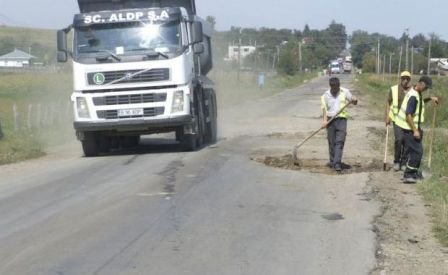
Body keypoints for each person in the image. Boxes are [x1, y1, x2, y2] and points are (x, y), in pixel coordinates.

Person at [394, 76, 439, 183]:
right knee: (417, 152)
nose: (426, 89)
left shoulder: (415, 91)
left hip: (409, 127)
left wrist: (430, 98)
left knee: (416, 151)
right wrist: (415, 130)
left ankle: (413, 173)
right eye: (426, 87)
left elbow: (418, 104)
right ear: (421, 84)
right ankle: (408, 174)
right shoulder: (414, 95)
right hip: (408, 128)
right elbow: (408, 115)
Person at [321, 77, 358, 172]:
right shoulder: (325, 95)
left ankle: (337, 163)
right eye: (333, 89)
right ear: (331, 86)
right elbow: (324, 110)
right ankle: (333, 161)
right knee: (331, 142)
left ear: (339, 85)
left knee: (340, 141)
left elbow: (354, 101)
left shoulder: (345, 92)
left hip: (342, 120)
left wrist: (354, 99)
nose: (335, 90)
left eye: (337, 88)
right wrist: (324, 121)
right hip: (330, 120)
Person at [385, 71, 413, 171]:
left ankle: (404, 162)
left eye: (407, 78)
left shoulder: (413, 90)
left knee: (407, 142)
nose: (405, 80)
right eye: (403, 78)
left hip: (408, 120)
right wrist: (387, 116)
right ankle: (396, 161)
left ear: (410, 79)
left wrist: (430, 98)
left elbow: (420, 101)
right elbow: (388, 102)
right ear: (400, 79)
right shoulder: (394, 89)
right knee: (399, 139)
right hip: (397, 119)